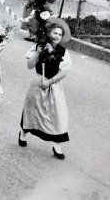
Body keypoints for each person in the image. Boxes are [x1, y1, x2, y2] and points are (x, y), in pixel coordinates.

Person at [19, 18, 72, 160]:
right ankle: (23, 133)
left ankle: (57, 146)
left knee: (56, 114)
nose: (57, 36)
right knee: (32, 110)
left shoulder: (63, 52)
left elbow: (64, 72)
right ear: (48, 33)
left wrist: (50, 82)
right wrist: (38, 53)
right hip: (38, 83)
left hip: (53, 86)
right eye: (54, 33)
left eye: (59, 34)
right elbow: (29, 66)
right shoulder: (38, 46)